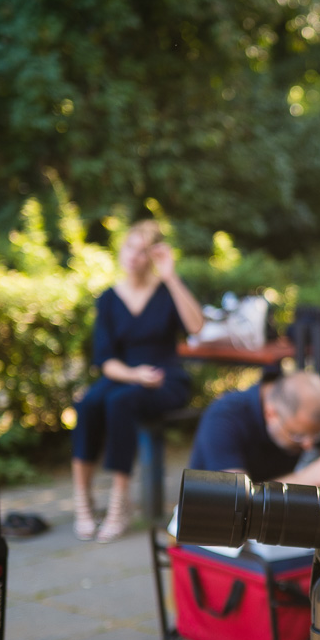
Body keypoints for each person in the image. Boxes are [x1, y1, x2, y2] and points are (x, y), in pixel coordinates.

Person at [72, 220, 205, 541]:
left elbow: (197, 326)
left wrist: (171, 276)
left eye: (144, 251)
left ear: (153, 257)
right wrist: (135, 375)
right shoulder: (108, 299)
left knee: (120, 401)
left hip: (165, 378)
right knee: (89, 402)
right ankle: (83, 500)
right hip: (124, 374)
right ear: (121, 250)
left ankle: (120, 502)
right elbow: (105, 361)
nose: (135, 256)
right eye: (131, 247)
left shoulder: (166, 291)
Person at [187, 369, 320, 486]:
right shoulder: (224, 419)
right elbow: (232, 500)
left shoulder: (315, 414)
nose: (308, 445)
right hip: (213, 526)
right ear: (271, 414)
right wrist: (303, 480)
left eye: (317, 435)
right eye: (297, 435)